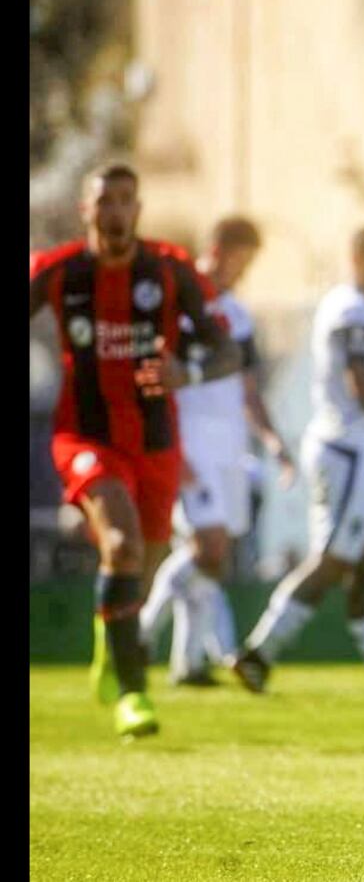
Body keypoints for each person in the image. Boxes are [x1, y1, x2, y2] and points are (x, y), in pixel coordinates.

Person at [28, 163, 241, 737]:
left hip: (155, 441)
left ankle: (110, 638)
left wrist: (185, 370)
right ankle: (133, 693)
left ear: (138, 210)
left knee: (140, 570)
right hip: (86, 436)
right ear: (86, 210)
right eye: (105, 201)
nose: (115, 211)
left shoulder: (170, 271)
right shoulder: (58, 271)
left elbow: (227, 352)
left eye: (126, 200)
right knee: (119, 546)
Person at [231, 227, 364, 697]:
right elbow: (360, 383)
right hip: (346, 448)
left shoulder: (351, 308)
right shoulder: (351, 311)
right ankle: (259, 652)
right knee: (334, 559)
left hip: (355, 449)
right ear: (359, 258)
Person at [138, 216, 296, 687]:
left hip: (229, 448)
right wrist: (170, 445)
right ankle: (144, 633)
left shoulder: (238, 315)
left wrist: (271, 440)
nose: (243, 271)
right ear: (219, 248)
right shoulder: (180, 307)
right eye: (241, 259)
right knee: (208, 548)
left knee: (210, 556)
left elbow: (247, 386)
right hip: (190, 442)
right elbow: (158, 378)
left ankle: (188, 662)